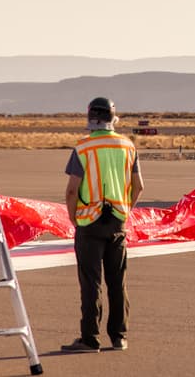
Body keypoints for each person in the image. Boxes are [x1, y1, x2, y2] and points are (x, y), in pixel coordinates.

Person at [61, 96, 143, 353]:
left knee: (91, 282)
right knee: (117, 281)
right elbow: (139, 185)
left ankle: (90, 338)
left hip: (90, 222)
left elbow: (72, 190)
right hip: (117, 221)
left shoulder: (84, 147)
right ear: (112, 118)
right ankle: (119, 336)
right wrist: (125, 209)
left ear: (90, 118)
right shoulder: (128, 146)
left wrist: (74, 217)